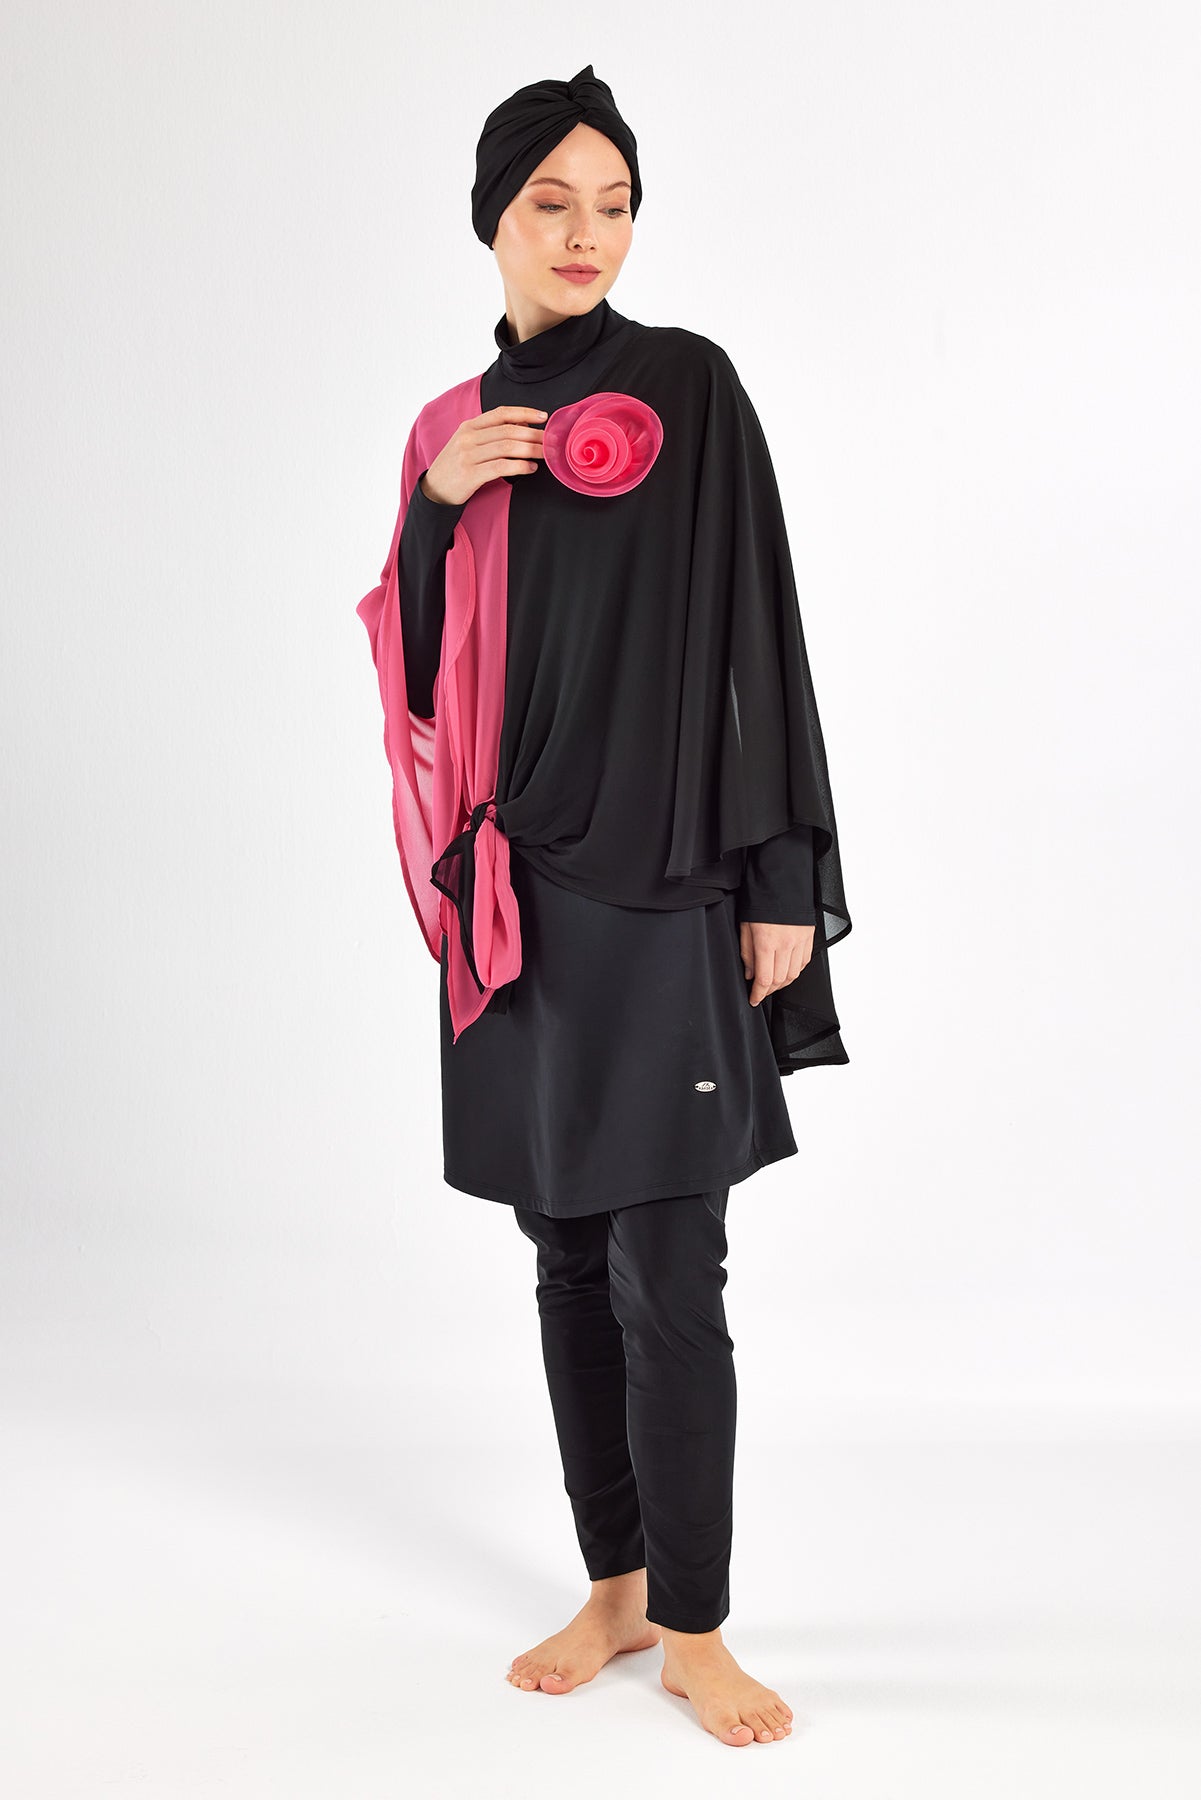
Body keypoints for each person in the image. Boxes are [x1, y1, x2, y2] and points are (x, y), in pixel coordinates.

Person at [357, 66, 851, 1750]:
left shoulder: (684, 386)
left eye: (614, 203)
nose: (586, 233)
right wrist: (435, 511)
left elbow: (758, 631)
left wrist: (777, 879)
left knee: (667, 1265)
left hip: (662, 884)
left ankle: (698, 1623)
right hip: (512, 889)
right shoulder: (448, 430)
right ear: (492, 219)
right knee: (563, 1250)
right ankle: (619, 1585)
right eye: (552, 202)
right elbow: (421, 685)